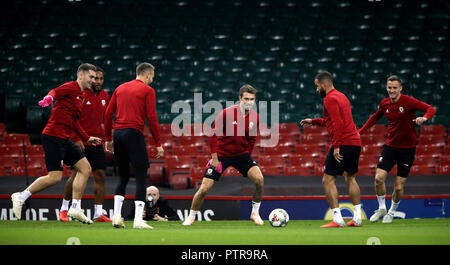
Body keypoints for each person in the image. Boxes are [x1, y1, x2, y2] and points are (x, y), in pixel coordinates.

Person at [11, 63, 102, 224]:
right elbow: (55, 92)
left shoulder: (81, 95)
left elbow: (74, 122)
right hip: (52, 136)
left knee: (85, 168)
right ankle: (20, 196)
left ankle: (75, 208)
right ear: (81, 75)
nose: (93, 80)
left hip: (65, 138)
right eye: (91, 77)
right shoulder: (70, 87)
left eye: (95, 77)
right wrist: (49, 98)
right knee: (55, 177)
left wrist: (86, 137)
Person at [182, 84, 264, 226]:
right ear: (240, 98)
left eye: (252, 99)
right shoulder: (227, 113)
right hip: (221, 155)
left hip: (242, 155)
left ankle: (255, 213)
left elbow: (252, 139)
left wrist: (246, 160)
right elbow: (212, 135)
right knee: (204, 189)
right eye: (246, 99)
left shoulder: (255, 117)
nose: (249, 102)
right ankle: (191, 217)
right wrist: (214, 158)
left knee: (259, 180)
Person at [358, 75, 436, 224]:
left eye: (395, 88)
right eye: (389, 88)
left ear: (400, 88)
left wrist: (424, 118)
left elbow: (430, 109)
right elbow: (375, 117)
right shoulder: (385, 103)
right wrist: (360, 132)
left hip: (407, 150)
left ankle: (391, 212)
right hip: (390, 147)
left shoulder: (408, 101)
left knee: (398, 187)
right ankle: (381, 208)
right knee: (378, 178)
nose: (392, 90)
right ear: (386, 88)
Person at [104, 62, 164, 229]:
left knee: (123, 176)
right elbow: (152, 117)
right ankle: (138, 220)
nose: (152, 80)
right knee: (140, 174)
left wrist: (108, 138)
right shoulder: (148, 90)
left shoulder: (120, 88)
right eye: (152, 77)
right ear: (147, 75)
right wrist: (158, 142)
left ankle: (116, 216)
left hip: (118, 134)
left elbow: (108, 114)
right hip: (133, 133)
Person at [300, 71, 363, 228]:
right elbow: (332, 121)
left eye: (317, 86)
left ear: (324, 85)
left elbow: (337, 124)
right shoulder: (342, 96)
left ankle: (338, 218)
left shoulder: (329, 99)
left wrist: (336, 146)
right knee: (350, 178)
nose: (317, 90)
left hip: (344, 143)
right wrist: (313, 121)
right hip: (355, 142)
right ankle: (357, 218)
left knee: (327, 179)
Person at [59, 66, 111, 223]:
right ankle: (64, 210)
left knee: (100, 176)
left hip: (96, 142)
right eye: (95, 78)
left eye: (101, 79)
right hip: (80, 141)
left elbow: (107, 119)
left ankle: (98, 213)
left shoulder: (105, 95)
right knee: (75, 175)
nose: (97, 81)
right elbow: (72, 119)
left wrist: (108, 138)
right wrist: (76, 138)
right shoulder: (80, 95)